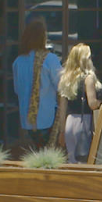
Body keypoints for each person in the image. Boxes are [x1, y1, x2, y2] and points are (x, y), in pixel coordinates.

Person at [12, 16, 61, 149]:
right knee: (50, 152)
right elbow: (62, 86)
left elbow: (17, 89)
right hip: (48, 118)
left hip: (28, 121)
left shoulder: (18, 62)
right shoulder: (50, 59)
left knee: (37, 151)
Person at [55, 43, 102, 163]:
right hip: (84, 121)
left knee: (72, 159)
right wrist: (101, 102)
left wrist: (62, 130)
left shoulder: (66, 79)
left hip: (69, 122)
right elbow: (92, 103)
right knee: (84, 160)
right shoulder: (89, 78)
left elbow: (62, 108)